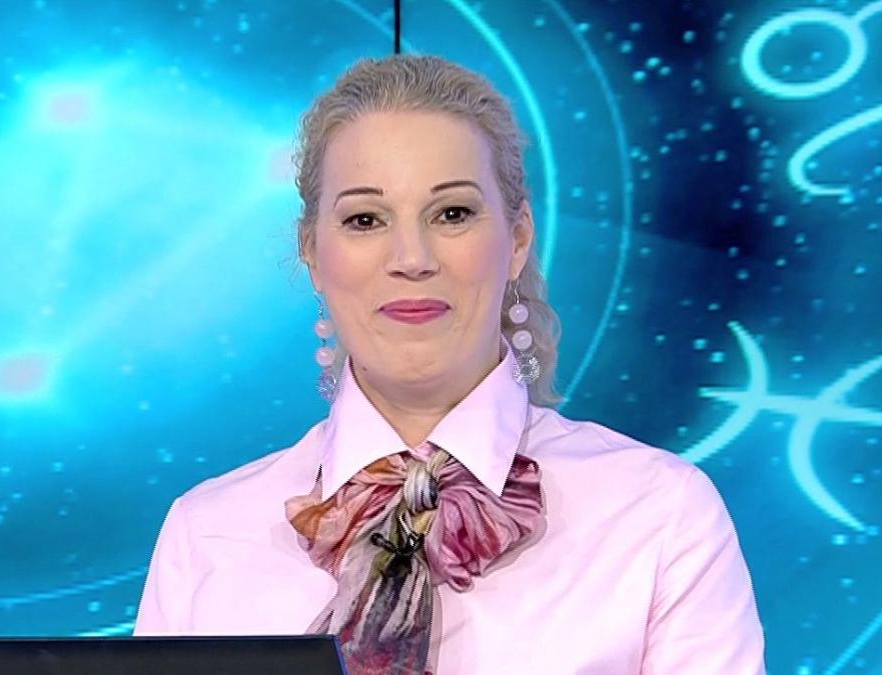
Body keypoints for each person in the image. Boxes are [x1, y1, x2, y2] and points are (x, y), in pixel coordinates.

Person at [134, 54, 766, 674]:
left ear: (518, 239)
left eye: (452, 214)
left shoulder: (659, 515)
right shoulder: (206, 534)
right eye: (364, 219)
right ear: (312, 252)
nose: (412, 258)